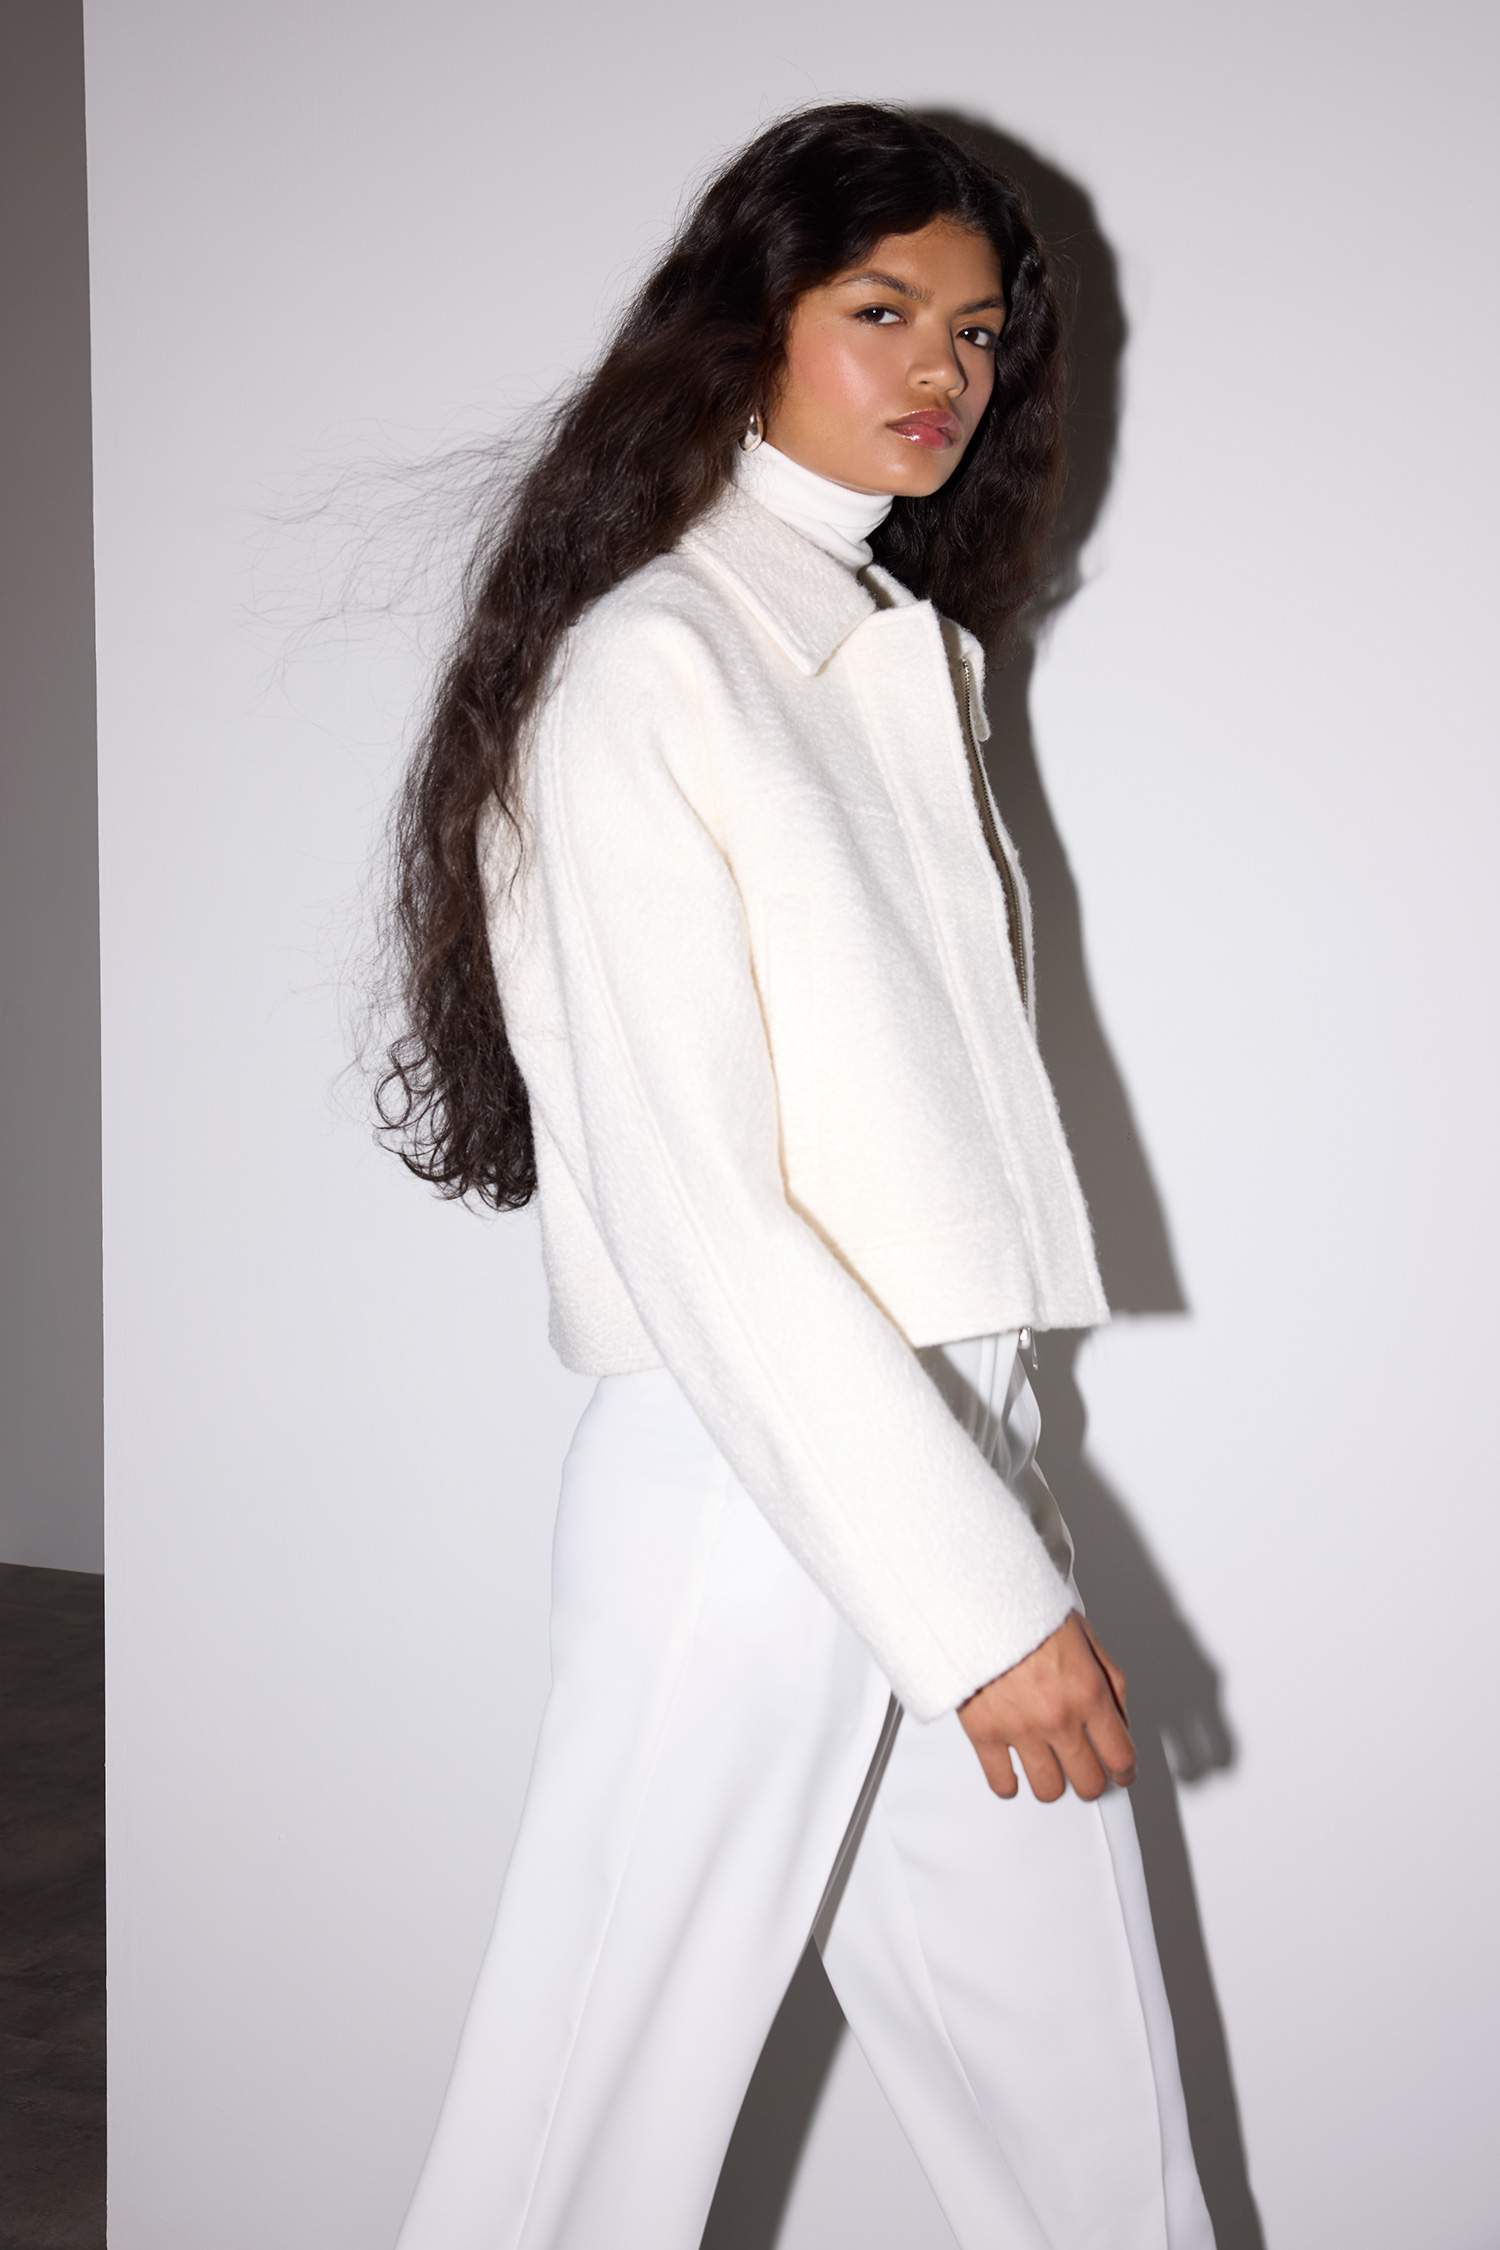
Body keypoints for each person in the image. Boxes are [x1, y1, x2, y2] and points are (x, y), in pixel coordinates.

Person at [376, 97, 1217, 2250]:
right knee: (579, 2151)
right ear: (751, 323)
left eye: (980, 329)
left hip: (946, 1460)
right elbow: (704, 1214)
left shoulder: (892, 649)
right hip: (743, 1495)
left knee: (1088, 2136)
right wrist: (981, 1604)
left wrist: (991, 1543)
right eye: (883, 310)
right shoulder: (652, 666)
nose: (946, 368)